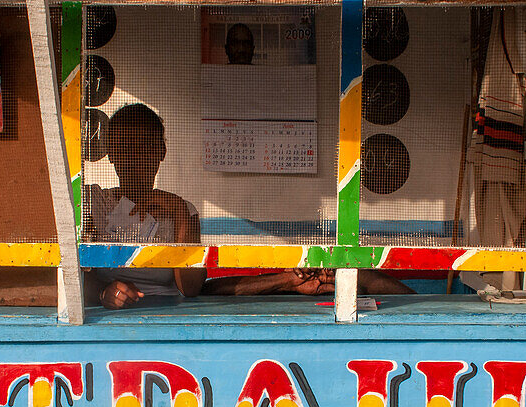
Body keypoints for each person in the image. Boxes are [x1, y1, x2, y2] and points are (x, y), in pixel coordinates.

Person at [85, 104, 206, 309]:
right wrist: (102, 292)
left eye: (145, 146)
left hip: (166, 311)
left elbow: (191, 288)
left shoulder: (185, 211)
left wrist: (178, 210)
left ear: (161, 152)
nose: (134, 156)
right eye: (124, 147)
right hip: (103, 314)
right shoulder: (94, 202)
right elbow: (71, 274)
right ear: (111, 154)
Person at [203, 268, 414, 296]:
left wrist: (347, 278)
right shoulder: (280, 280)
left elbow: (409, 296)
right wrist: (286, 281)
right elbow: (208, 289)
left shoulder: (329, 279)